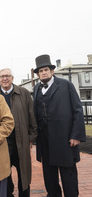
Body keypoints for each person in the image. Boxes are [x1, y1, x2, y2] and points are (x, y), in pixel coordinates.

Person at [33, 54, 86, 197]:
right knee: (49, 177)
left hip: (64, 139)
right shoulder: (37, 88)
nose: (43, 72)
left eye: (45, 70)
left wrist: (76, 135)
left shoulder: (65, 85)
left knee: (68, 175)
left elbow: (77, 110)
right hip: (45, 140)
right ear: (38, 74)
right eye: (40, 71)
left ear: (52, 71)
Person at [0, 68, 37, 197]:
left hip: (21, 140)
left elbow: (31, 117)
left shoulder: (24, 93)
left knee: (23, 172)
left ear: (12, 78)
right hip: (2, 142)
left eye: (7, 76)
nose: (4, 78)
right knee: (4, 173)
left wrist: (31, 138)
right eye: (2, 76)